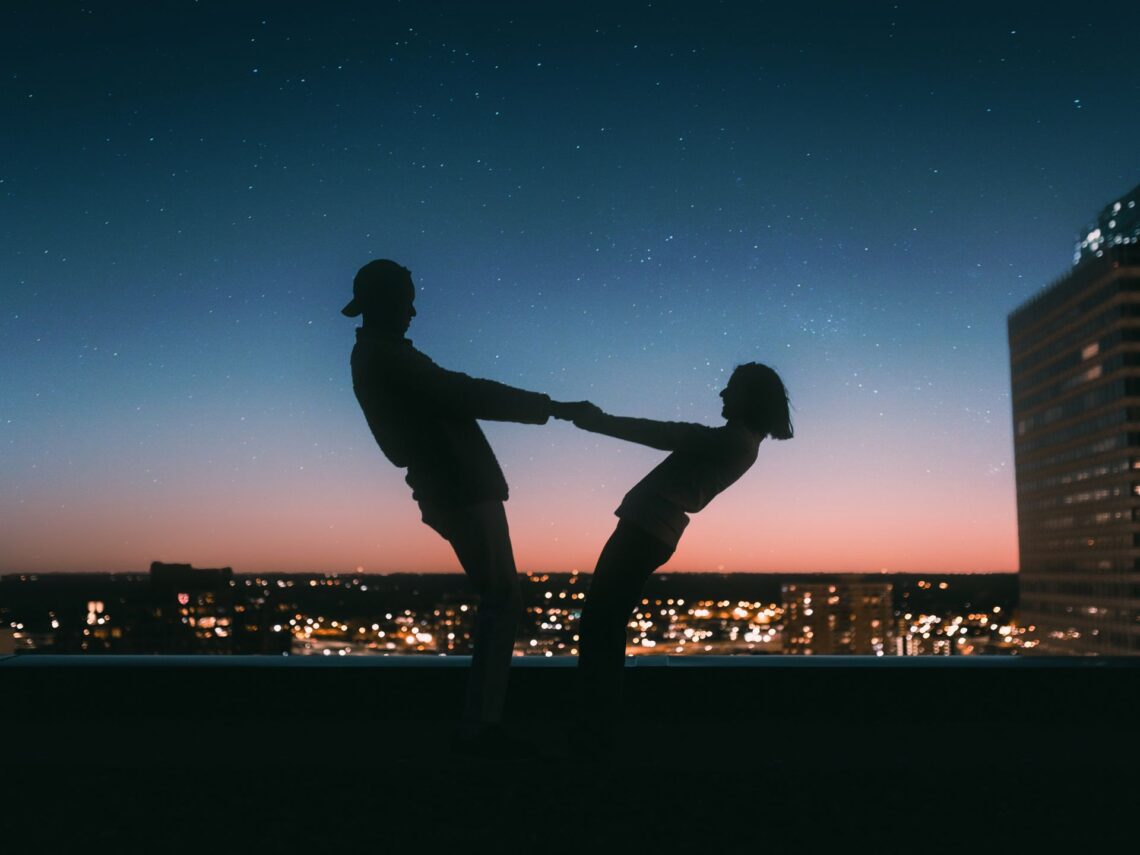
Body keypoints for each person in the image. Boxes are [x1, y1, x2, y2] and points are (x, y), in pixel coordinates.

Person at [342, 259, 586, 755]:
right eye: (407, 299)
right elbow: (464, 392)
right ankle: (481, 728)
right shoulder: (387, 358)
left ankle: (481, 724)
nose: (414, 310)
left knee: (501, 598)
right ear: (386, 302)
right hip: (458, 487)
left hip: (453, 486)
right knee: (503, 600)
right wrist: (551, 407)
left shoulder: (382, 357)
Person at [569, 363, 793, 751]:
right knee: (603, 622)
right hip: (652, 529)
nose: (722, 395)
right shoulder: (740, 441)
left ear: (750, 397)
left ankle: (596, 726)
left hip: (646, 529)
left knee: (600, 624)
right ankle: (597, 722)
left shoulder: (735, 441)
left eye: (730, 389)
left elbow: (664, 434)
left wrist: (599, 422)